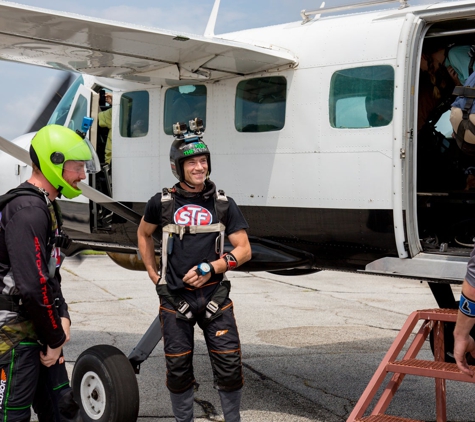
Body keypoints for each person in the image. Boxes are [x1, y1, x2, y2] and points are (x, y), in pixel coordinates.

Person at [137, 122, 252, 422]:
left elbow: (244, 250)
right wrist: (152, 271)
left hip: (215, 297)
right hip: (175, 300)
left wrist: (211, 267)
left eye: (203, 162)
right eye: (192, 163)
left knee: (229, 365)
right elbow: (143, 234)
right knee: (178, 369)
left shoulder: (224, 204)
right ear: (178, 167)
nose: (199, 168)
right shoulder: (161, 204)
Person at [0, 124, 100, 421]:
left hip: (42, 328)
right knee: (12, 416)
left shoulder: (48, 206)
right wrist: (55, 339)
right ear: (53, 164)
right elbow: (32, 285)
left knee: (64, 410)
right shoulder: (28, 211)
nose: (83, 175)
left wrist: (63, 316)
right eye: (77, 167)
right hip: (13, 335)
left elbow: (50, 274)